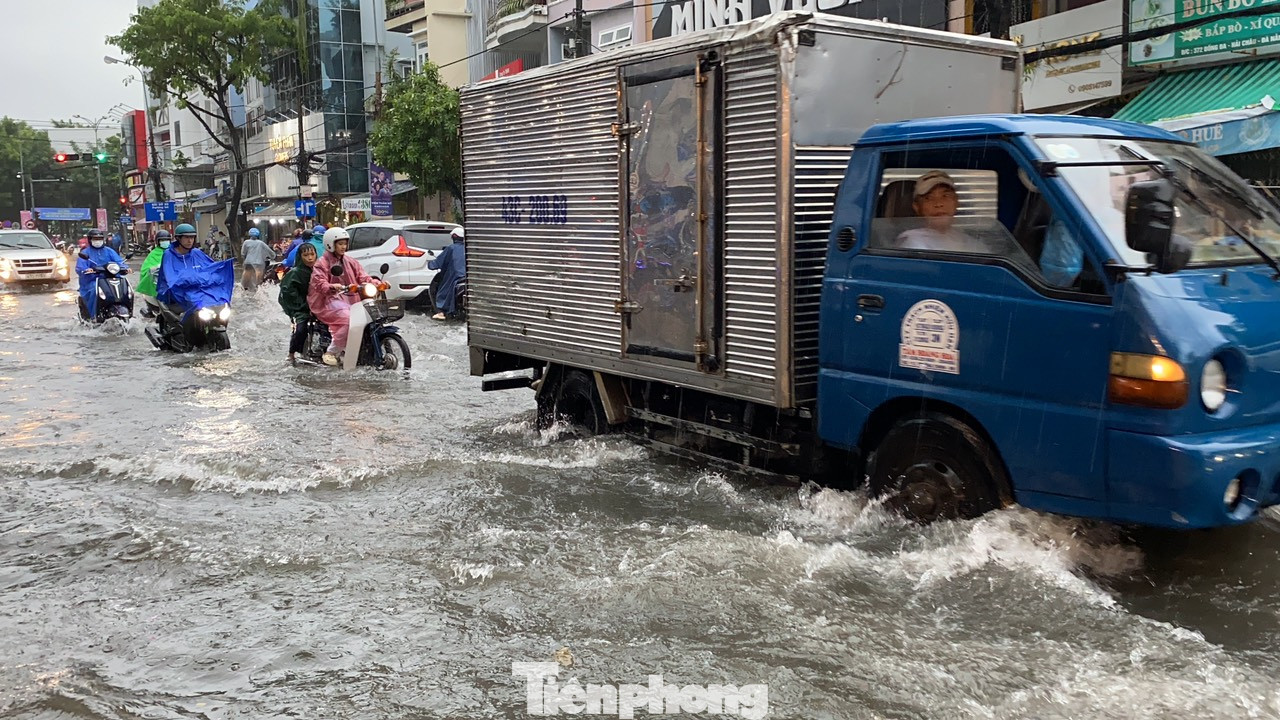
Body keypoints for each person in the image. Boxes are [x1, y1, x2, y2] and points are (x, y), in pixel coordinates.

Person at [307, 226, 374, 366]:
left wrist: (378, 283)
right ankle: (332, 352)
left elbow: (363, 276)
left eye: (345, 243)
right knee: (349, 321)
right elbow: (319, 283)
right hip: (327, 300)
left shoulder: (350, 261)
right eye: (340, 244)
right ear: (331, 244)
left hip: (349, 299)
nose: (343, 247)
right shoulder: (322, 263)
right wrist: (331, 287)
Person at [895, 170, 986, 252]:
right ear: (917, 207)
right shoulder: (912, 242)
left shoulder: (970, 242)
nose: (938, 204)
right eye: (929, 198)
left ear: (956, 202)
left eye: (945, 196)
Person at [156, 223, 217, 310]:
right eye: (186, 237)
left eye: (192, 237)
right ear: (178, 238)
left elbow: (211, 268)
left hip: (197, 291)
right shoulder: (168, 254)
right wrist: (191, 279)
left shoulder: (197, 253)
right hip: (175, 293)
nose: (190, 241)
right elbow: (170, 276)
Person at [279, 242, 318, 364]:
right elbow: (288, 294)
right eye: (306, 255)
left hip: (319, 306)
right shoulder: (294, 273)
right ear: (300, 257)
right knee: (300, 329)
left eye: (312, 254)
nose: (310, 258)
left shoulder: (320, 271)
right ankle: (291, 353)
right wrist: (303, 306)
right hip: (301, 308)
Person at [76, 229, 128, 321]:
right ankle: (94, 317)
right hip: (93, 280)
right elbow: (81, 267)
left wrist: (125, 268)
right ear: (90, 240)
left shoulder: (109, 251)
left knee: (126, 291)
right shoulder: (85, 253)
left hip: (110, 279)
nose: (98, 241)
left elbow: (119, 262)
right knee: (94, 292)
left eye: (100, 238)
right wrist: (86, 270)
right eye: (95, 239)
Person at [428, 226, 467, 320]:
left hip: (455, 278)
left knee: (440, 289)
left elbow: (437, 263)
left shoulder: (451, 249)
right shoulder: (468, 248)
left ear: (454, 237)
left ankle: (441, 312)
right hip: (466, 278)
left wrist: (431, 264)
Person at [135, 229, 172, 317]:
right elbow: (146, 269)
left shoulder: (175, 252)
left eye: (166, 240)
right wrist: (155, 269)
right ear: (158, 242)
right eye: (162, 240)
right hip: (159, 283)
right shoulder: (153, 254)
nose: (165, 242)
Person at [240, 227, 273, 291]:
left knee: (246, 279)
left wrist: (244, 260)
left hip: (248, 263)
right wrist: (273, 256)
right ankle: (258, 287)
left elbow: (243, 253)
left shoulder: (246, 242)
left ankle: (245, 289)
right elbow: (271, 253)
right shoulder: (261, 243)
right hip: (259, 264)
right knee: (259, 280)